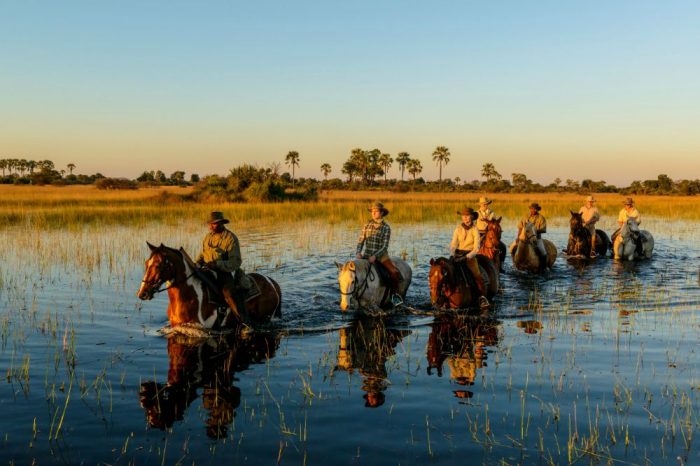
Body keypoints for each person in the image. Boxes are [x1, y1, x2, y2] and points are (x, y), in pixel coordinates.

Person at [195, 211, 250, 325]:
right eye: (210, 224)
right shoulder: (208, 236)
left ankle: (244, 323)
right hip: (208, 270)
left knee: (228, 293)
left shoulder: (230, 238)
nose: (211, 226)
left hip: (226, 272)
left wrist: (217, 265)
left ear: (221, 223)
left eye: (214, 224)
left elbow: (236, 262)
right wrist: (196, 263)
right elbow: (203, 253)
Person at [356, 202, 403, 307]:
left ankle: (395, 295)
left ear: (381, 213)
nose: (373, 213)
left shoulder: (386, 227)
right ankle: (353, 295)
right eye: (372, 211)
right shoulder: (366, 225)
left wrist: (375, 256)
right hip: (366, 255)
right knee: (353, 272)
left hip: (381, 256)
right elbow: (361, 240)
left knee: (394, 272)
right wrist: (358, 252)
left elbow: (384, 246)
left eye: (375, 211)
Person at [450, 207, 489, 308]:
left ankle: (482, 298)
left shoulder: (475, 229)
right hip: (458, 254)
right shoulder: (458, 228)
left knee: (477, 276)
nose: (465, 218)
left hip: (470, 255)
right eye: (463, 216)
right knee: (447, 272)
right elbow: (454, 243)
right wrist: (453, 253)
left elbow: (476, 248)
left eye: (467, 216)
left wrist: (467, 256)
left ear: (472, 217)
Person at [511, 202, 548, 270]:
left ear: (537, 210)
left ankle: (543, 268)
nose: (533, 210)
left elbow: (543, 229)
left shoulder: (541, 218)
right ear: (530, 209)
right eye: (532, 209)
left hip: (536, 238)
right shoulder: (525, 216)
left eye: (535, 209)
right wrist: (518, 237)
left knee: (543, 252)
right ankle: (515, 263)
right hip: (524, 238)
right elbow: (520, 227)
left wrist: (533, 231)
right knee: (512, 248)